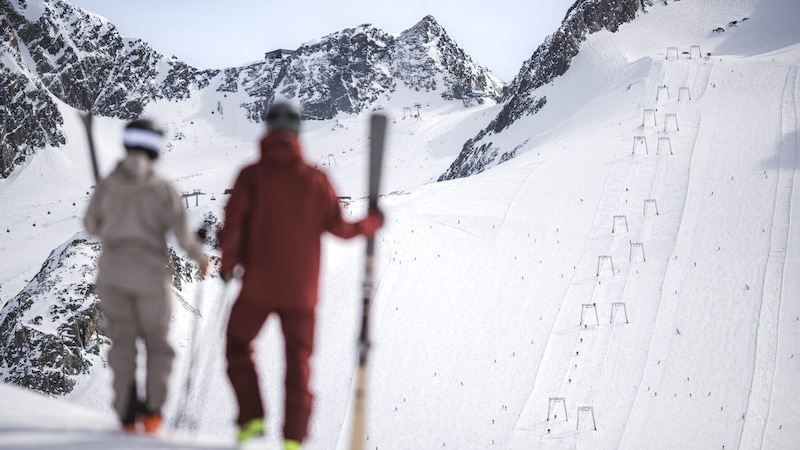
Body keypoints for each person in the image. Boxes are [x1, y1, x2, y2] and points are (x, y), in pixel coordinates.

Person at [219, 102, 383, 449]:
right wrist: (372, 222)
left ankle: (251, 420)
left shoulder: (250, 176)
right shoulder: (315, 180)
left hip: (257, 288)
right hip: (302, 293)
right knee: (299, 363)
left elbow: (232, 226)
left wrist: (228, 264)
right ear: (297, 133)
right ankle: (293, 440)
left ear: (267, 130)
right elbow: (340, 228)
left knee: (237, 344)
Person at [83, 118, 208, 433]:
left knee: (123, 340)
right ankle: (152, 412)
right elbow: (182, 235)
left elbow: (91, 226)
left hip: (112, 274)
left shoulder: (108, 184)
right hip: (151, 276)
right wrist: (200, 257)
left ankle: (126, 411)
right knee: (156, 342)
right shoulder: (163, 188)